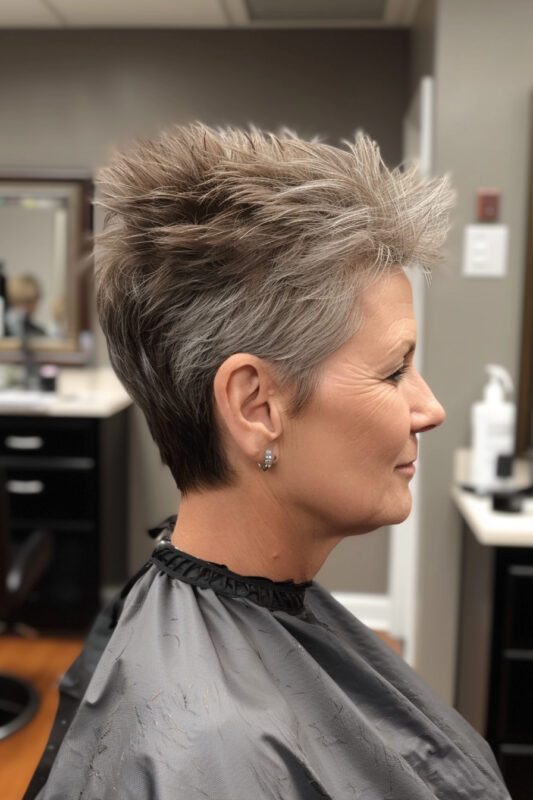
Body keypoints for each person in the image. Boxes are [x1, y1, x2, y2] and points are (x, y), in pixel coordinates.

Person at [26, 125, 511, 800]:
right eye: (395, 368)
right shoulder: (209, 756)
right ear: (255, 406)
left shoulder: (231, 620)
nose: (428, 408)